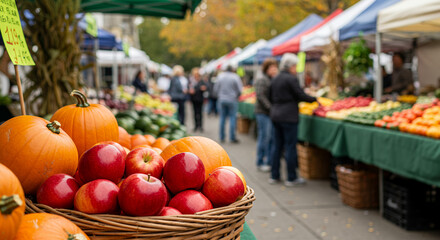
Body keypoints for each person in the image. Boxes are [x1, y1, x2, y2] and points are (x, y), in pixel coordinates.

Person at [269, 53, 317, 187]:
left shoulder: (275, 78)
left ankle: (274, 175)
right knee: (290, 146)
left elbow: (270, 95)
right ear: (290, 66)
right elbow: (300, 94)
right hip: (288, 116)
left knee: (277, 146)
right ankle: (291, 177)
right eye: (295, 66)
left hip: (276, 114)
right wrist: (314, 99)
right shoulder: (291, 79)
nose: (296, 68)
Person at [254, 58, 278, 172]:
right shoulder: (262, 79)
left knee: (269, 137)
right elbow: (260, 96)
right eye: (272, 68)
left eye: (275, 67)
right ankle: (260, 161)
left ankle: (268, 161)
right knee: (264, 137)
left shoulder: (270, 79)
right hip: (262, 113)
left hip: (268, 113)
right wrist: (271, 107)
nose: (274, 70)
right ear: (267, 68)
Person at [214, 66, 242, 143]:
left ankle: (222, 137)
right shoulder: (235, 77)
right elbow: (240, 90)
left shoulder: (220, 76)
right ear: (232, 70)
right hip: (232, 99)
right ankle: (232, 137)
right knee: (233, 118)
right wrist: (236, 96)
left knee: (222, 118)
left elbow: (215, 89)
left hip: (222, 99)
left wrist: (220, 95)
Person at [189, 68, 208, 132]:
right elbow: (189, 88)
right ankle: (196, 126)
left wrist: (203, 88)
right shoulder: (192, 81)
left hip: (200, 99)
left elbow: (205, 87)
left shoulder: (201, 81)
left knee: (200, 113)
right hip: (194, 99)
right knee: (194, 113)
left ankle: (200, 126)